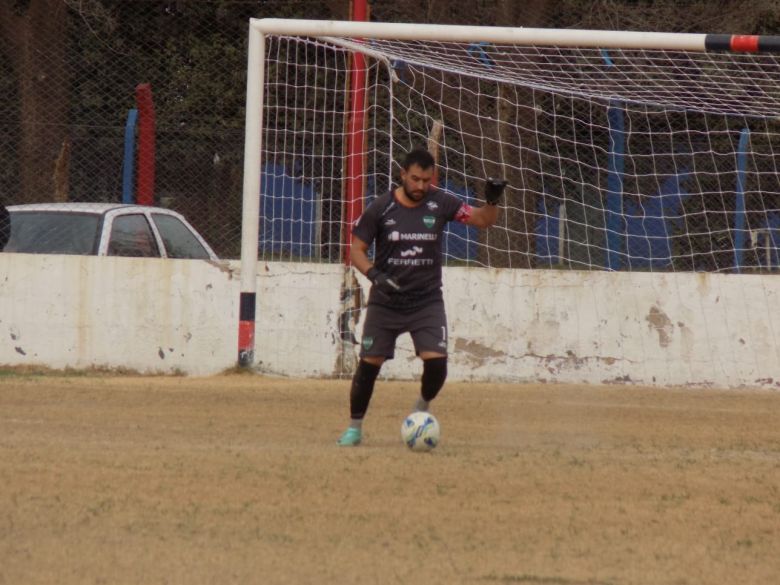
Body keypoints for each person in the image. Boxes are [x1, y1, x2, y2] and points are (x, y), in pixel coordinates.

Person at [337, 147, 507, 446]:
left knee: (438, 364)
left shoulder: (441, 202)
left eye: (426, 180)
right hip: (386, 301)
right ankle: (354, 428)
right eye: (415, 179)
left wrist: (492, 199)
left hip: (426, 301)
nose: (420, 186)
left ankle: (421, 409)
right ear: (402, 175)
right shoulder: (380, 208)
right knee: (369, 365)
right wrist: (375, 275)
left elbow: (483, 220)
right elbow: (356, 250)